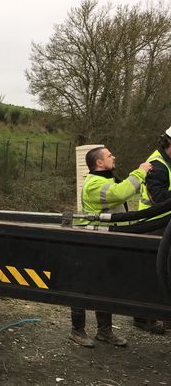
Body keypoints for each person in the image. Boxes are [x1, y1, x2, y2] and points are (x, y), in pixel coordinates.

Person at [71, 146, 152, 347]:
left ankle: (104, 332)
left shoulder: (106, 179)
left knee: (105, 286)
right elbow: (121, 193)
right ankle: (77, 330)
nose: (113, 156)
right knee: (83, 287)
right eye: (109, 156)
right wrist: (140, 171)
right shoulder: (94, 184)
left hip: (107, 242)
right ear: (99, 162)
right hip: (92, 243)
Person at [135, 126, 171, 334]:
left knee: (165, 270)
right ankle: (143, 317)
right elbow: (158, 197)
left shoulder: (168, 160)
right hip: (154, 225)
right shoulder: (156, 165)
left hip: (165, 225)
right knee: (151, 271)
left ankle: (164, 315)